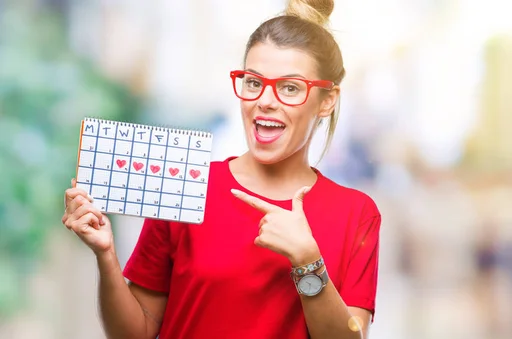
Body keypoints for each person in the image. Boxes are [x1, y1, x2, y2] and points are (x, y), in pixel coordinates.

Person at [61, 0, 381, 338]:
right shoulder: (186, 183)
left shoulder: (357, 213)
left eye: (290, 87)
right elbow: (134, 333)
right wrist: (106, 254)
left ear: (327, 100)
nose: (266, 100)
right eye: (254, 82)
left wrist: (308, 262)